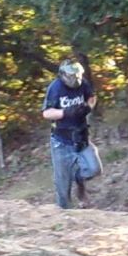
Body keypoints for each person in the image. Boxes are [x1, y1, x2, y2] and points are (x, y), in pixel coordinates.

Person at [41, 58, 96, 209]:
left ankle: (79, 182)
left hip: (81, 136)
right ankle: (64, 214)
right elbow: (46, 113)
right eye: (72, 76)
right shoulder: (55, 88)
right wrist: (66, 112)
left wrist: (88, 107)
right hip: (61, 141)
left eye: (78, 75)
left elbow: (92, 97)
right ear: (63, 75)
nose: (76, 78)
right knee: (63, 186)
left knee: (93, 169)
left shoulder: (83, 83)